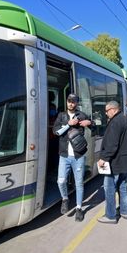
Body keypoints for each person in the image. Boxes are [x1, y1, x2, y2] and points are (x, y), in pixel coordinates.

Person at [53, 93, 92, 222]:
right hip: (64, 156)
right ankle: (65, 199)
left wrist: (90, 123)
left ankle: (79, 208)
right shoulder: (61, 116)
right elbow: (56, 132)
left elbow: (95, 128)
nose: (71, 103)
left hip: (78, 156)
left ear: (77, 103)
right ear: (67, 102)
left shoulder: (81, 115)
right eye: (69, 101)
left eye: (74, 101)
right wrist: (68, 124)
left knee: (79, 183)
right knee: (61, 181)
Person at [97, 101, 127, 224]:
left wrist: (104, 158)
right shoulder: (124, 119)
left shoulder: (115, 122)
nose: (106, 114)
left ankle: (110, 215)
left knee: (109, 188)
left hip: (115, 162)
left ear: (113, 109)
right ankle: (124, 211)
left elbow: (112, 144)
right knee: (122, 187)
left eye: (107, 111)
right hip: (124, 161)